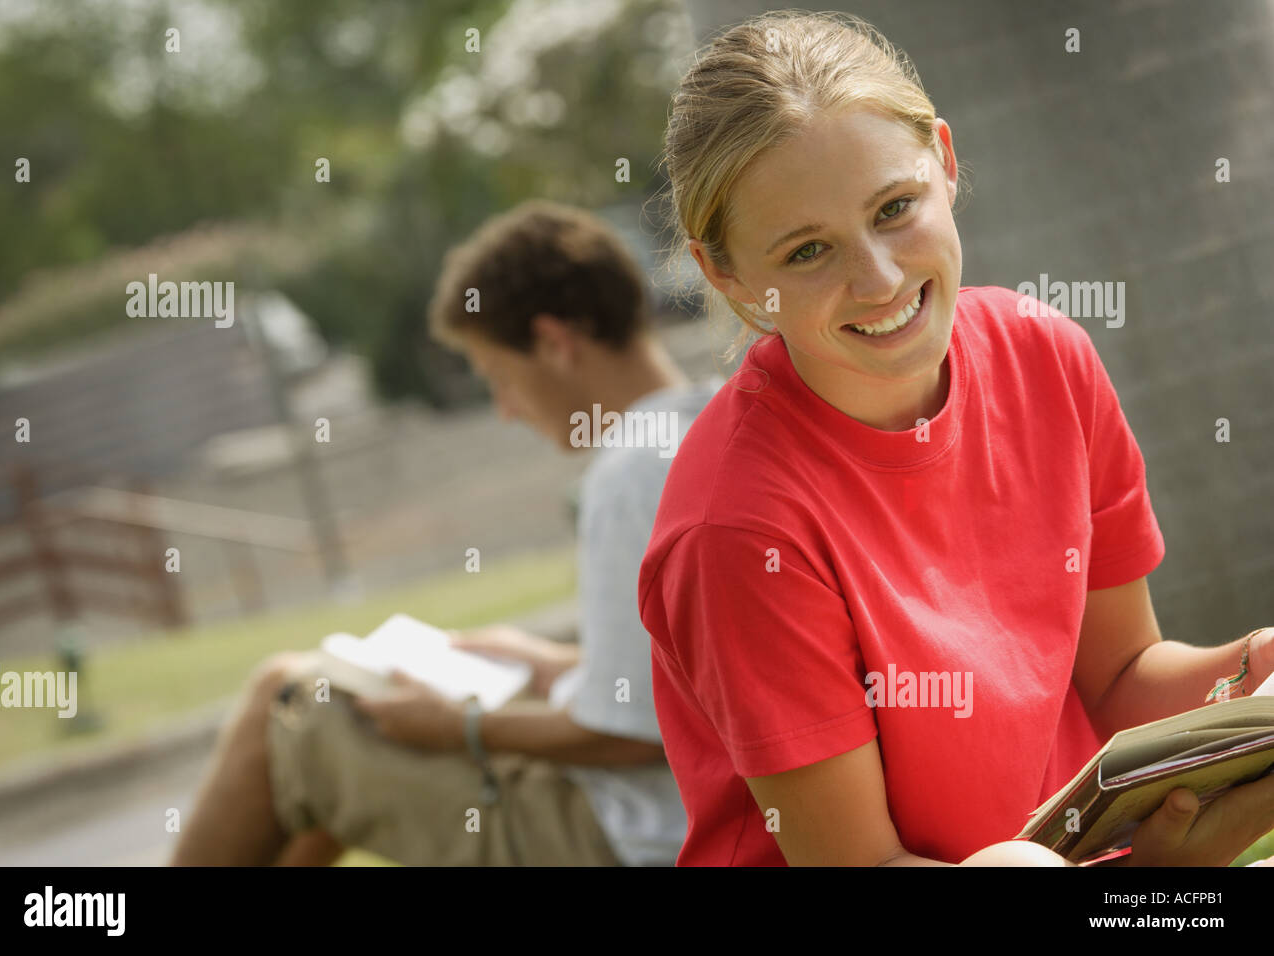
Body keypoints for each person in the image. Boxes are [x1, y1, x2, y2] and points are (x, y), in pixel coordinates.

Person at [636, 10, 1274, 867]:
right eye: (808, 251)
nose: (880, 279)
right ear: (726, 274)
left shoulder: (1045, 354)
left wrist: (1250, 671)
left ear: (943, 158)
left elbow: (1122, 679)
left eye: (895, 208)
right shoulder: (740, 530)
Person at [172, 200, 719, 866]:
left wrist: (461, 727)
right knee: (335, 745)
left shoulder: (631, 472)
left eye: (500, 378)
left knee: (288, 705)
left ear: (553, 342)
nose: (508, 410)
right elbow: (694, 683)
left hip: (629, 839)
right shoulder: (710, 425)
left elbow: (631, 735)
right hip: (654, 812)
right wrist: (554, 665)